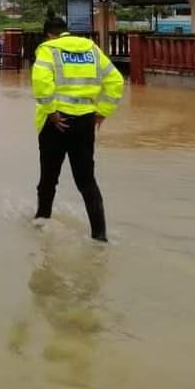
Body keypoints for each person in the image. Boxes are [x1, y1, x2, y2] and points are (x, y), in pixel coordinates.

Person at [30, 15, 124, 242]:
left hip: (56, 122)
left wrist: (51, 111)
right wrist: (102, 112)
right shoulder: (91, 49)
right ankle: (100, 236)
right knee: (86, 180)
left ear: (48, 34)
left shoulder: (48, 49)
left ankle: (42, 221)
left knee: (49, 176)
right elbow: (116, 81)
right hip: (85, 122)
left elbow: (41, 83)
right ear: (66, 31)